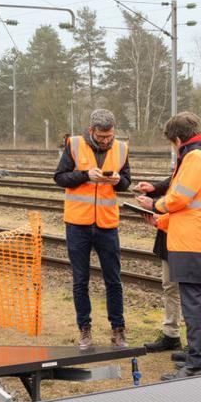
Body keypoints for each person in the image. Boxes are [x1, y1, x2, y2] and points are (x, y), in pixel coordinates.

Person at [135, 112, 201, 379]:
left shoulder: (196, 157)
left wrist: (156, 205)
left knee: (193, 303)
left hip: (190, 241)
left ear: (176, 138)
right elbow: (193, 205)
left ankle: (197, 364)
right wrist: (161, 221)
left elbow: (180, 197)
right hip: (197, 235)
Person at [53, 109, 132, 349]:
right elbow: (60, 177)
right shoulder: (74, 145)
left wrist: (119, 181)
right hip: (78, 224)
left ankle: (118, 330)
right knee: (80, 280)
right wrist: (86, 175)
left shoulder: (121, 149)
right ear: (91, 131)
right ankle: (84, 330)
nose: (106, 141)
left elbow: (127, 182)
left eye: (109, 137)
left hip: (107, 224)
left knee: (114, 281)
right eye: (101, 137)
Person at [134, 159, 184, 353]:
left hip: (184, 237)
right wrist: (154, 188)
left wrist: (155, 205)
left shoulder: (197, 159)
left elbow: (182, 202)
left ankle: (197, 345)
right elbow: (172, 182)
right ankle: (172, 335)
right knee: (170, 287)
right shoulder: (187, 157)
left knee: (188, 291)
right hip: (170, 235)